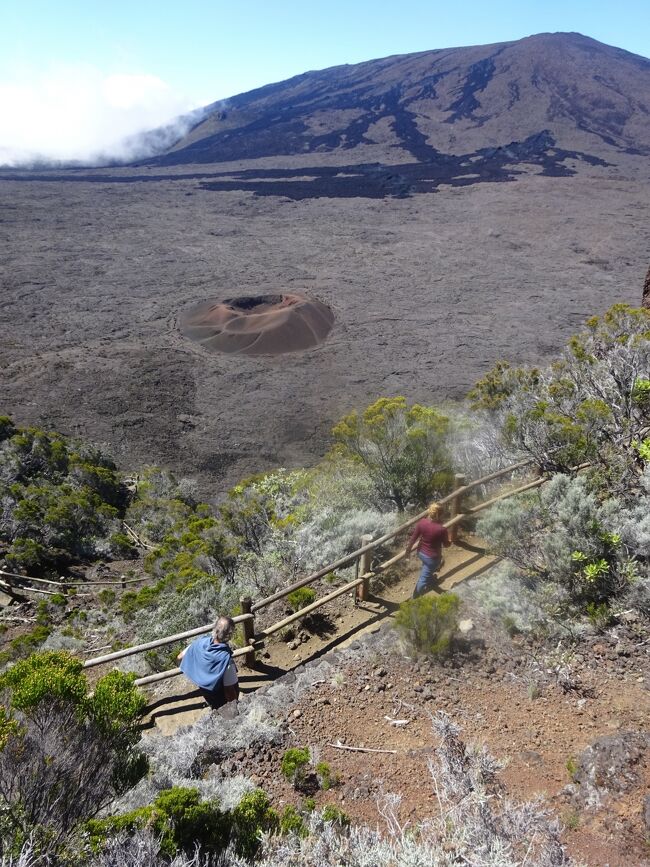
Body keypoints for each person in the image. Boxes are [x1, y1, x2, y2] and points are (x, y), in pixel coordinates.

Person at [177, 615, 239, 708]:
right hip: (221, 699)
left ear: (215, 629)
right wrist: (235, 707)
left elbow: (180, 657)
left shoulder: (200, 642)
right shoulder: (226, 660)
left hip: (205, 692)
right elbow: (229, 691)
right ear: (229, 635)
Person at [405, 502, 451, 598]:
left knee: (427, 569)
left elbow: (413, 538)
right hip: (432, 558)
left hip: (420, 553)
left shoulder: (422, 522)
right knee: (423, 579)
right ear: (440, 515)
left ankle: (430, 579)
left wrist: (407, 551)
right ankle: (415, 597)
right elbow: (446, 545)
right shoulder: (441, 529)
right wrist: (450, 541)